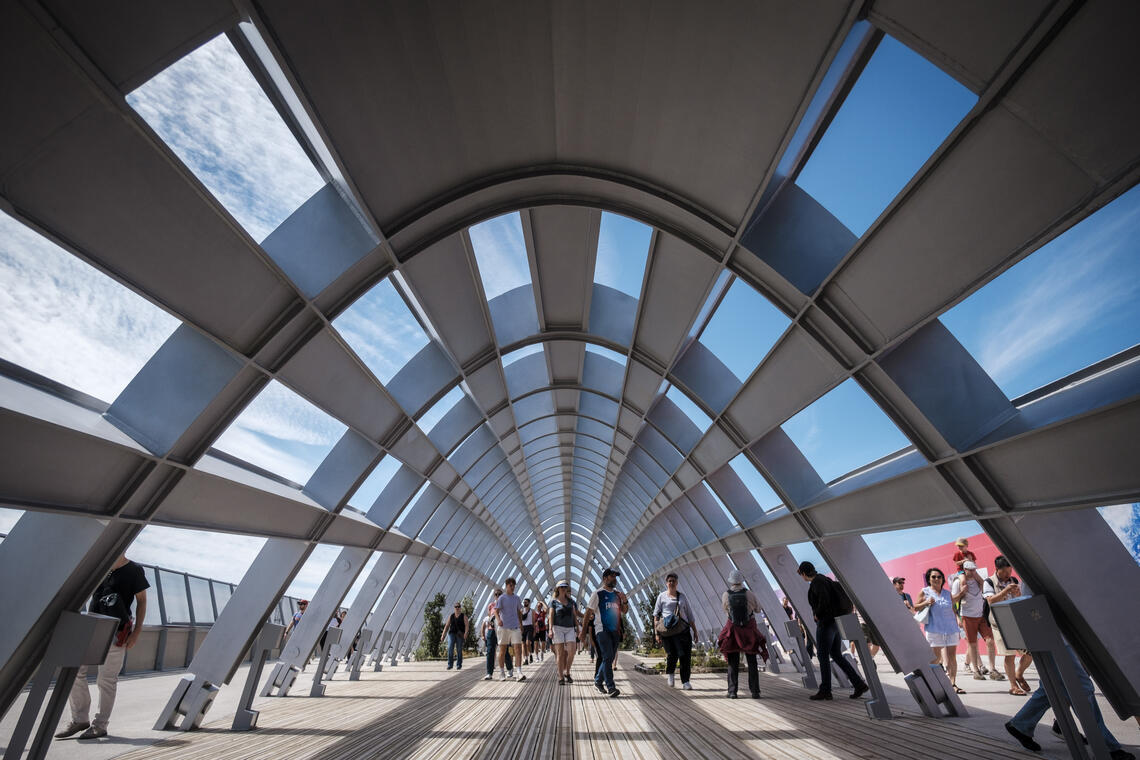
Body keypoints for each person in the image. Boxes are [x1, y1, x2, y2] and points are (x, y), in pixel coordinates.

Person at [55, 554, 149, 741]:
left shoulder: (134, 570)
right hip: (90, 628)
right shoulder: (100, 566)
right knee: (72, 671)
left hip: (117, 630)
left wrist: (137, 632)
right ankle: (80, 719)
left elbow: (142, 601)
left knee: (106, 680)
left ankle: (100, 725)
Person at [1005, 643, 1135, 759]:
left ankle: (1021, 724)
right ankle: (1105, 747)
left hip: (1045, 635)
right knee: (1080, 687)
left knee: (1052, 685)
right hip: (1054, 635)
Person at [797, 561, 868, 701]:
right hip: (835, 622)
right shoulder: (825, 579)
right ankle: (858, 684)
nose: (802, 577)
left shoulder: (817, 582)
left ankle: (825, 690)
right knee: (836, 654)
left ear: (804, 573)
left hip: (827, 622)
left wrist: (817, 613)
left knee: (822, 655)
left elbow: (824, 600)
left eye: (801, 574)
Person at [913, 567, 964, 693]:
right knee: (935, 658)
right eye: (933, 577)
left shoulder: (948, 593)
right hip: (934, 629)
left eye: (939, 576)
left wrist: (958, 619)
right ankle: (931, 683)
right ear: (929, 579)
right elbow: (915, 607)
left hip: (951, 628)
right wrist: (926, 602)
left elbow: (952, 608)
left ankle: (952, 684)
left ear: (942, 579)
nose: (936, 579)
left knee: (952, 657)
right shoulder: (925, 591)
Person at [718, 569, 767, 699]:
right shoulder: (750, 594)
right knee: (752, 662)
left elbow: (725, 610)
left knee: (733, 662)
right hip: (748, 630)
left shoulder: (725, 595)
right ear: (741, 580)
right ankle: (755, 691)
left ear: (731, 581)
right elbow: (758, 609)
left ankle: (732, 691)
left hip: (733, 630)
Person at [953, 560, 1002, 682]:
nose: (972, 571)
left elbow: (985, 591)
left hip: (981, 615)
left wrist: (978, 578)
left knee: (990, 641)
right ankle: (975, 670)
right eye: (969, 569)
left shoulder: (979, 580)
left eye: (974, 569)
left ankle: (992, 669)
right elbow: (953, 601)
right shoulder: (958, 582)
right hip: (967, 616)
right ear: (965, 570)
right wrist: (957, 617)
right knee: (972, 644)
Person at [581, 568, 627, 697]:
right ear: (605, 578)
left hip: (615, 631)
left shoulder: (617, 594)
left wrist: (625, 600)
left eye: (615, 577)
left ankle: (597, 681)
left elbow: (625, 611)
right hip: (602, 630)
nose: (615, 579)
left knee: (609, 658)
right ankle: (611, 687)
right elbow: (588, 613)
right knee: (607, 656)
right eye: (612, 576)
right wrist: (584, 632)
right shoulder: (597, 594)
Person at [654, 572, 698, 690]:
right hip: (668, 631)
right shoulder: (661, 597)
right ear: (666, 583)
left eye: (674, 581)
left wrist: (695, 631)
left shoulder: (682, 597)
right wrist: (656, 633)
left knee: (685, 656)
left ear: (677, 583)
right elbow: (656, 616)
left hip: (683, 630)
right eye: (670, 581)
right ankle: (671, 674)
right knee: (671, 654)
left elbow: (690, 615)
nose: (672, 583)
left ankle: (685, 681)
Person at [548, 580, 581, 684]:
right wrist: (550, 629)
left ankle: (567, 672)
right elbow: (551, 616)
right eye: (561, 587)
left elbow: (574, 615)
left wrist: (577, 626)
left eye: (565, 587)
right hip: (558, 628)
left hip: (570, 627)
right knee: (560, 653)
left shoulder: (571, 601)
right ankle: (561, 677)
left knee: (572, 651)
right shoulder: (553, 602)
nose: (563, 589)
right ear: (558, 589)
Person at [495, 578, 526, 681]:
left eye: (513, 586)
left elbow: (519, 612)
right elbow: (496, 611)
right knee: (503, 650)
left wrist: (521, 624)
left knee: (518, 649)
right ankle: (502, 673)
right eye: (510, 586)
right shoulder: (502, 598)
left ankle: (519, 672)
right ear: (506, 585)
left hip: (515, 627)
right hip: (503, 628)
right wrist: (498, 620)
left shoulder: (517, 598)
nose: (512, 588)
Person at [481, 590, 502, 680]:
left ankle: (509, 669)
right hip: (491, 630)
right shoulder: (491, 605)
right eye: (496, 594)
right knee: (490, 651)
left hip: (501, 630)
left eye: (499, 594)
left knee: (504, 650)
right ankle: (489, 673)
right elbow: (489, 617)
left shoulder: (504, 605)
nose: (497, 596)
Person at [441, 602, 467, 670]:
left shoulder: (463, 616)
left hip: (460, 635)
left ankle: (459, 664)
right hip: (451, 633)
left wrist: (466, 633)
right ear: (454, 608)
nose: (457, 608)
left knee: (459, 649)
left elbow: (467, 626)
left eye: (458, 607)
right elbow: (447, 626)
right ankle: (450, 664)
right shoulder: (451, 616)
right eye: (456, 607)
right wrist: (443, 635)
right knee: (450, 648)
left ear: (460, 608)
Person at [520, 598, 535, 664]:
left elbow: (533, 621)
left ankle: (530, 654)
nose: (525, 603)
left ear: (529, 603)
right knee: (523, 644)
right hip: (523, 627)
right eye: (524, 602)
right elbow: (519, 620)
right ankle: (525, 659)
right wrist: (520, 628)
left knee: (527, 643)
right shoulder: (521, 610)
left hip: (529, 627)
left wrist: (534, 630)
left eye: (526, 602)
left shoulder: (532, 611)